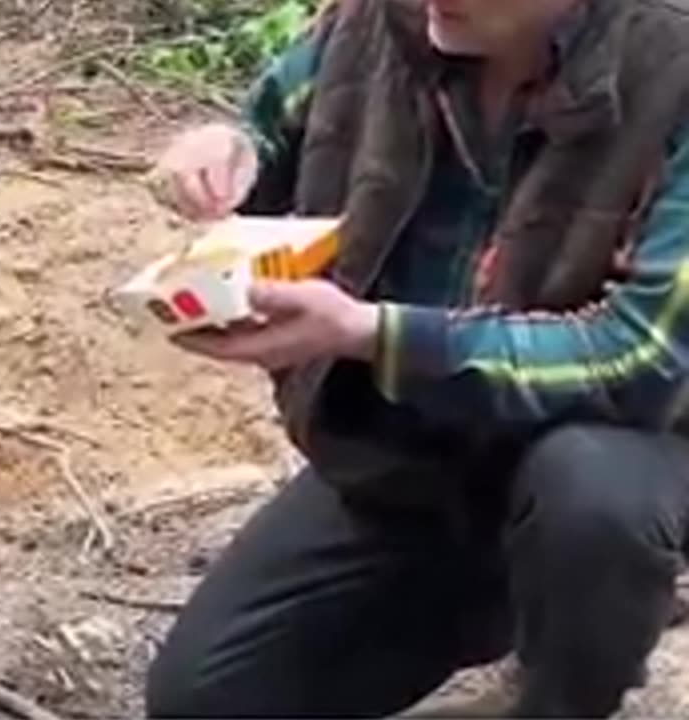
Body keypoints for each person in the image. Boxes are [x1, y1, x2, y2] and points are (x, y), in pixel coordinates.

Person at [143, 0, 689, 716]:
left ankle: (566, 687)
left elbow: (640, 359)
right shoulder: (371, 26)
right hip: (411, 459)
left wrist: (370, 333)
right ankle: (493, 602)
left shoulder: (673, 73)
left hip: (616, 453)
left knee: (591, 496)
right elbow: (268, 137)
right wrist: (224, 154)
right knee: (203, 702)